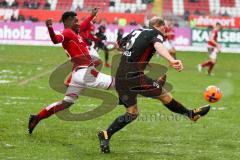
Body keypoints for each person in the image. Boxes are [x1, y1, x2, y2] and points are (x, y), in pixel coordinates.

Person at [98, 17, 211, 153]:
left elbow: (120, 45)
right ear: (159, 26)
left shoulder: (136, 31)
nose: (164, 31)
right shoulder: (155, 33)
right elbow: (158, 45)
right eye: (164, 28)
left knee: (132, 113)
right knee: (165, 96)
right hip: (134, 76)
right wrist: (171, 60)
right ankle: (190, 114)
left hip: (121, 75)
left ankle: (105, 134)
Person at [28, 8, 115, 134]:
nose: (78, 23)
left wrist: (91, 16)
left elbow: (84, 26)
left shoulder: (75, 34)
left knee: (67, 103)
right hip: (84, 73)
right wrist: (50, 28)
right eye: (76, 20)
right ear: (68, 21)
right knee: (116, 83)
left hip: (78, 74)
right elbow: (55, 40)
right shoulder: (67, 33)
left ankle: (37, 117)